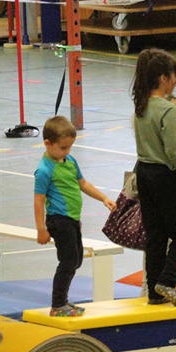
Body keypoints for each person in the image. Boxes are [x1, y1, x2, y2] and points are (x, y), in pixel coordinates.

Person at [132, 49, 176, 307]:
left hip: (143, 171)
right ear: (163, 78)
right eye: (174, 76)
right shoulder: (167, 110)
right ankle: (168, 280)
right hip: (163, 175)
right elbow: (172, 151)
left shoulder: (141, 105)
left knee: (156, 235)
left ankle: (154, 293)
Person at [34, 116, 116, 317]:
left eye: (70, 147)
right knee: (68, 261)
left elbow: (83, 184)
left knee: (76, 260)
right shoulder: (44, 170)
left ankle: (62, 301)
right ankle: (57, 304)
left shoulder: (69, 161)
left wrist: (103, 198)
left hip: (72, 220)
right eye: (63, 148)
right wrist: (41, 230)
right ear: (48, 143)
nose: (67, 151)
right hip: (58, 220)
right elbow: (38, 201)